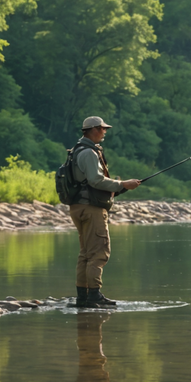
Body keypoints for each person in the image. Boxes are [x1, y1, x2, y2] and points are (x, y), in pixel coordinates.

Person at [70, 116, 140, 308]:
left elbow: (90, 181)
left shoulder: (77, 150)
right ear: (93, 130)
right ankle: (93, 295)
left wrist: (120, 186)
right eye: (102, 129)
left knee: (85, 253)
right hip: (91, 208)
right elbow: (95, 180)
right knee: (99, 252)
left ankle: (82, 297)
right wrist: (123, 184)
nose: (105, 132)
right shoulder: (89, 153)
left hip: (78, 207)